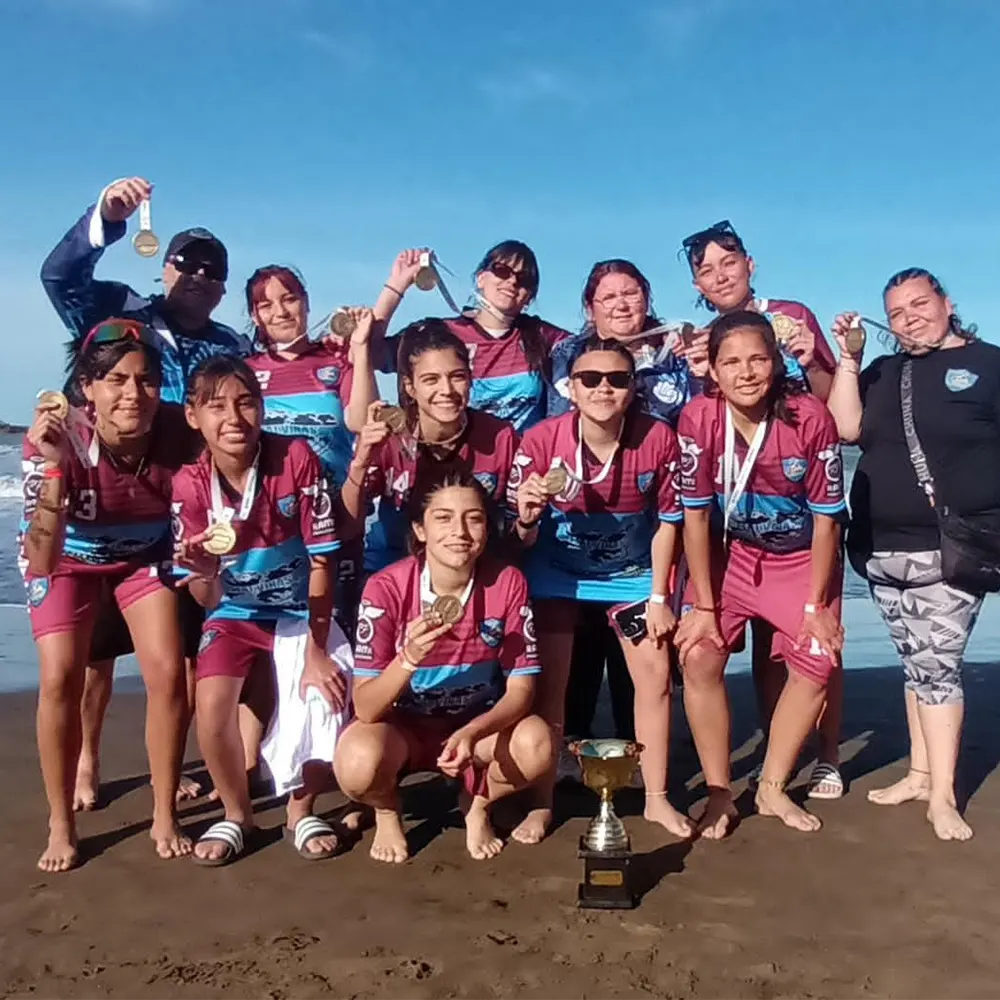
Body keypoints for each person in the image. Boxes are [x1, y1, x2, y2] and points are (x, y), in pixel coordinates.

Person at [41, 176, 250, 810]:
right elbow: (59, 278)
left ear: (222, 287)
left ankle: (171, 767)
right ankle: (87, 759)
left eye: (212, 271)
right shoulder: (123, 313)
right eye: (187, 263)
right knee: (96, 658)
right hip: (101, 503)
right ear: (166, 269)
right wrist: (106, 217)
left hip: (180, 518)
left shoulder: (230, 346)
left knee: (183, 655)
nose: (198, 276)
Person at [826, 268, 998, 841]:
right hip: (878, 546)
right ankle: (920, 775)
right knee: (915, 661)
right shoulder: (884, 371)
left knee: (938, 669)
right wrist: (848, 359)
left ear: (947, 303)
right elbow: (844, 428)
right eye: (897, 313)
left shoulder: (989, 365)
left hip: (951, 547)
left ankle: (943, 796)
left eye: (920, 305)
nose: (909, 319)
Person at [678, 220, 844, 800]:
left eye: (757, 361)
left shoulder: (808, 408)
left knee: (817, 654)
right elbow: (695, 515)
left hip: (798, 555)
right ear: (712, 370)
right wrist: (702, 605)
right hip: (735, 553)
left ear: (774, 362)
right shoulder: (698, 414)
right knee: (699, 654)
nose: (746, 372)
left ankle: (780, 782)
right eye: (731, 363)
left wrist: (816, 605)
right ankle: (719, 792)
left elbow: (827, 518)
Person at [20, 320, 192, 871]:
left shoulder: (177, 430)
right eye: (115, 380)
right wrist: (54, 468)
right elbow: (41, 559)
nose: (132, 394)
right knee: (59, 677)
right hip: (67, 560)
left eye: (145, 380)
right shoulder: (55, 437)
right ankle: (60, 822)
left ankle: (164, 812)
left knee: (167, 673)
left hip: (142, 558)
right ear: (87, 389)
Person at [508, 336, 691, 843]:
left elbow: (668, 523)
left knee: (655, 677)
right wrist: (526, 517)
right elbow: (519, 539)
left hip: (632, 574)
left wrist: (660, 597)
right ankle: (541, 802)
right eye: (590, 379)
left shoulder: (658, 438)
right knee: (552, 686)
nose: (603, 388)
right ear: (570, 388)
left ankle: (656, 798)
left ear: (633, 388)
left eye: (617, 379)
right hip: (557, 574)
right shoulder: (540, 441)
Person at [172, 356, 350, 866]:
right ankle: (237, 815)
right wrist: (205, 571)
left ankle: (300, 811)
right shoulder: (188, 485)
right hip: (235, 612)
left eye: (246, 402)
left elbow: (322, 562)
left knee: (323, 695)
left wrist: (316, 651)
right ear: (192, 416)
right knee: (211, 708)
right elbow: (207, 599)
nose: (234, 417)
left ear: (262, 407)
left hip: (300, 610)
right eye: (216, 406)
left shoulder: (295, 458)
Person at [334, 468, 553, 862]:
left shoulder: (508, 583)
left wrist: (472, 731)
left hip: (475, 727)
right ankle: (386, 809)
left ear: (487, 529)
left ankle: (478, 803)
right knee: (355, 763)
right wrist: (408, 658)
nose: (460, 532)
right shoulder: (385, 588)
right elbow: (365, 708)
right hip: (402, 731)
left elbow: (522, 690)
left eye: (474, 518)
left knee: (538, 744)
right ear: (419, 530)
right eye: (443, 518)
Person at [239, 267, 378, 781]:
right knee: (262, 650)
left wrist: (359, 349)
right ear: (254, 315)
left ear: (306, 302)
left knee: (334, 643)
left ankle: (332, 764)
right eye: (267, 304)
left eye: (290, 299)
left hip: (335, 524)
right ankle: (252, 761)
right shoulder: (246, 371)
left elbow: (360, 421)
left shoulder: (335, 363)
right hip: (267, 532)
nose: (281, 311)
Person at [547, 260, 693, 750]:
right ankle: (573, 747)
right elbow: (558, 427)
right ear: (590, 308)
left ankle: (635, 749)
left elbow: (696, 419)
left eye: (631, 293)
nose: (622, 304)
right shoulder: (569, 354)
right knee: (583, 640)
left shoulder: (676, 350)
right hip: (583, 515)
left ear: (647, 298)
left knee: (643, 641)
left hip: (654, 516)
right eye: (608, 297)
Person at [344, 321, 519, 575]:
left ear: (470, 379)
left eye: (457, 377)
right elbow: (348, 526)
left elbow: (518, 534)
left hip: (471, 568)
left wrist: (528, 519)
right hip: (392, 565)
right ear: (410, 387)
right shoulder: (389, 437)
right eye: (431, 380)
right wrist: (361, 462)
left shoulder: (500, 437)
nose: (446, 390)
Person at [368, 242, 570, 431]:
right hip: (455, 454)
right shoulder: (441, 334)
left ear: (530, 296)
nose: (512, 281)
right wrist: (397, 284)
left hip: (523, 455)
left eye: (524, 279)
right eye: (502, 271)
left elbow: (588, 347)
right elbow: (369, 354)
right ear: (481, 278)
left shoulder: (544, 337)